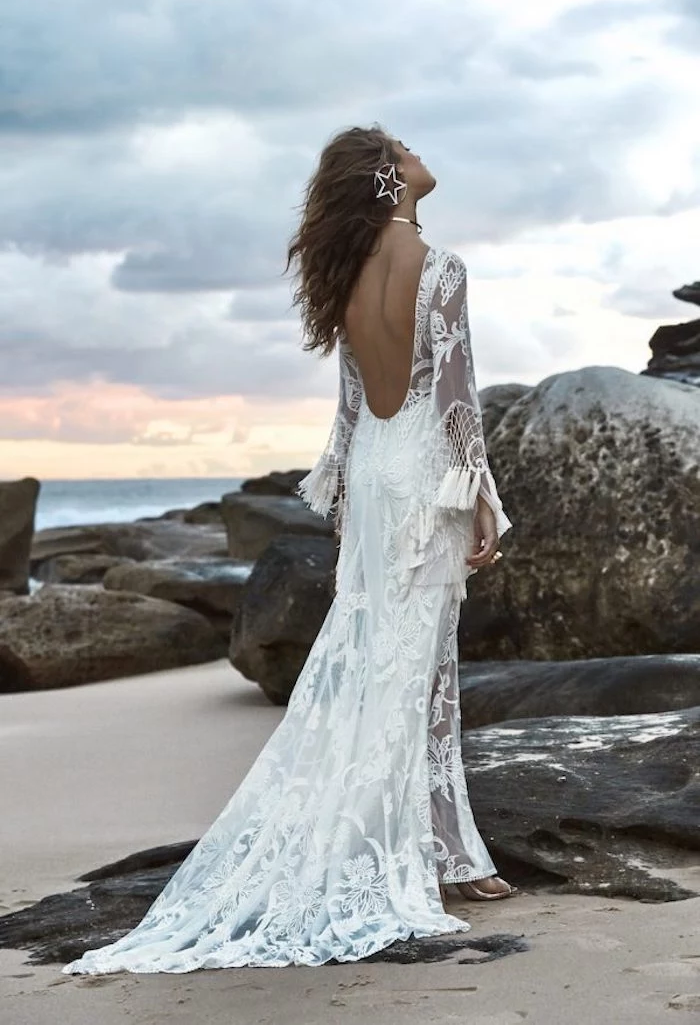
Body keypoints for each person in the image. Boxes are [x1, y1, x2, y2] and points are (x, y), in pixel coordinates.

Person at [61, 124, 515, 976]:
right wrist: (482, 499)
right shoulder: (441, 267)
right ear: (387, 177)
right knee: (417, 667)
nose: (422, 154)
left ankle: (450, 848)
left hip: (378, 471)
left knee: (391, 656)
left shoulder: (344, 276)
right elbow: (458, 400)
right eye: (405, 148)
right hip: (421, 473)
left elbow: (349, 413)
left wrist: (342, 498)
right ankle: (427, 856)